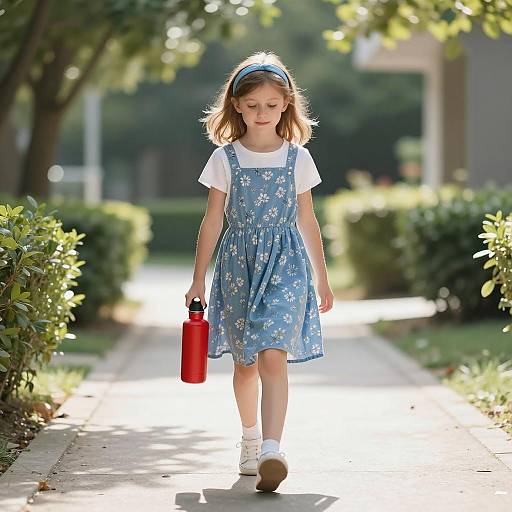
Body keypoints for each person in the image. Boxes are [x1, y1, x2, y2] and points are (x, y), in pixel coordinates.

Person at [185, 51, 334, 493]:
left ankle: (272, 447)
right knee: (245, 364)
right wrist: (197, 278)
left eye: (270, 105)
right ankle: (250, 437)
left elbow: (308, 220)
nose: (261, 113)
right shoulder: (224, 159)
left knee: (273, 353)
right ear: (235, 105)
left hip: (287, 264)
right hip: (237, 268)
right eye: (251, 105)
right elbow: (212, 220)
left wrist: (323, 278)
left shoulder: (298, 159)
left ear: (286, 104)